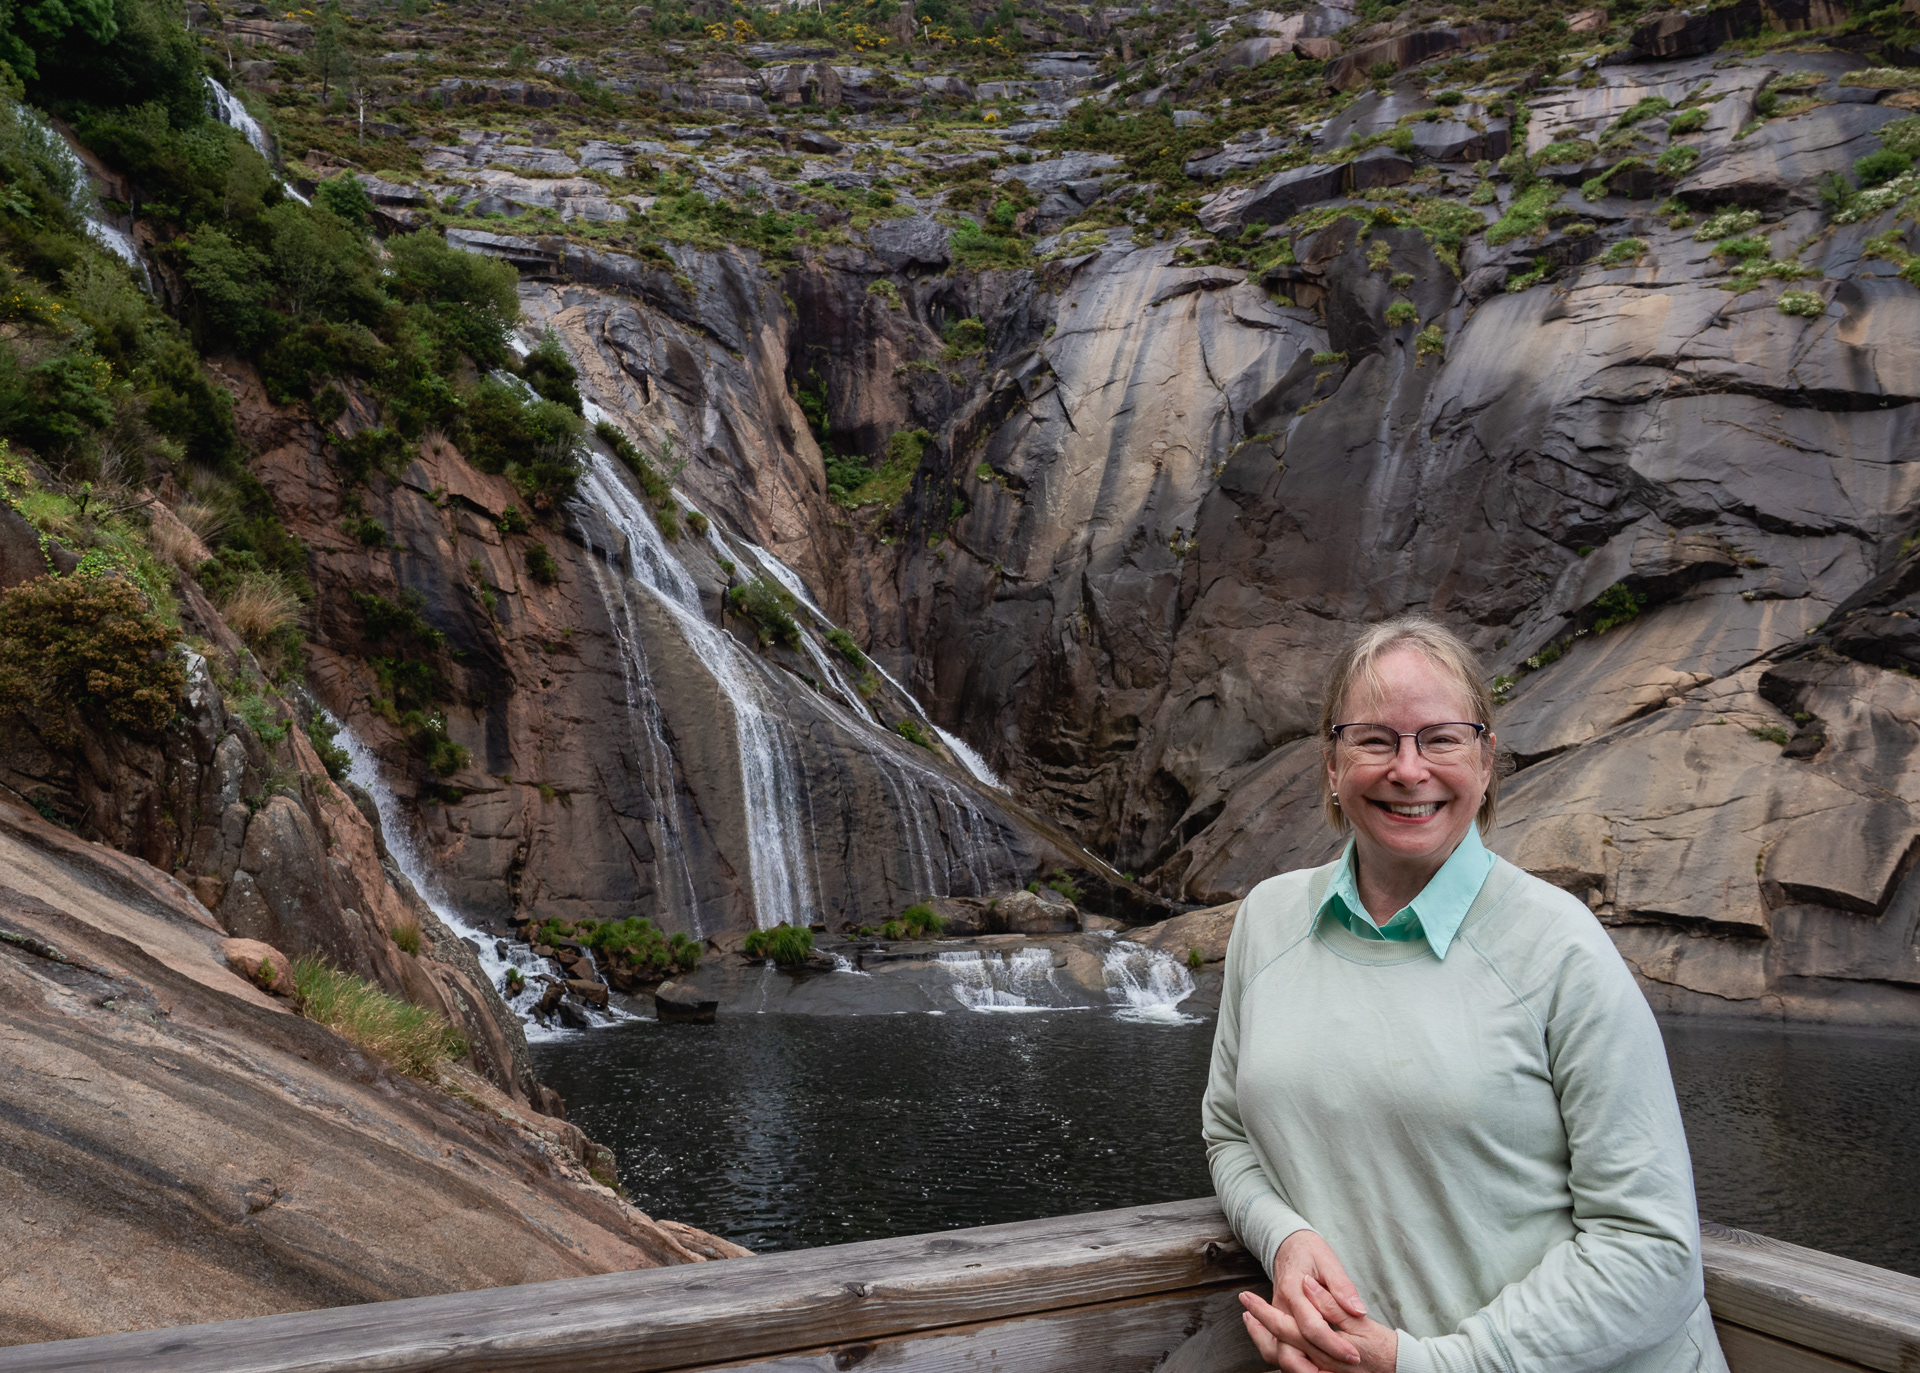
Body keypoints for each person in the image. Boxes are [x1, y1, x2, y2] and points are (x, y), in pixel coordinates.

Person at [1202, 616, 1728, 1373]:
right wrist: (1284, 1236)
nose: (1408, 769)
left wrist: (1431, 1364)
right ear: (1330, 763)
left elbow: (1653, 1251)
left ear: (1485, 763)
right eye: (1374, 739)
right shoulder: (1269, 919)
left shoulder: (1560, 947)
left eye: (1441, 738)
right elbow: (1229, 1133)